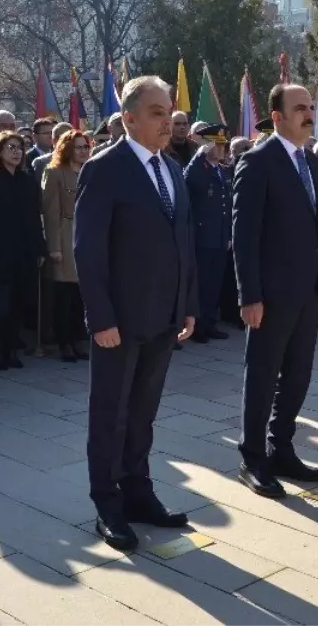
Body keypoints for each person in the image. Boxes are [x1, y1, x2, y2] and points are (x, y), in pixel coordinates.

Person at [76, 75, 197, 550]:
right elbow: (88, 249)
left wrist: (188, 304)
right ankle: (107, 503)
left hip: (164, 316)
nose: (167, 121)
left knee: (143, 413)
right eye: (155, 112)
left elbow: (182, 242)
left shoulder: (171, 169)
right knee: (111, 413)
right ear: (128, 118)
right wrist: (100, 318)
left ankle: (139, 493)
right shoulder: (105, 168)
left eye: (169, 112)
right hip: (120, 320)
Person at [232, 84, 318, 497]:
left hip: (308, 290)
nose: (309, 115)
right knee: (262, 375)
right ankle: (253, 457)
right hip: (271, 294)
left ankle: (282, 448)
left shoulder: (310, 160)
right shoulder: (258, 162)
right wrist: (249, 294)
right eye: (300, 109)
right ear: (276, 116)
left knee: (298, 375)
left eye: (310, 108)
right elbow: (244, 233)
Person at [0, 131, 45, 371]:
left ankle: (11, 350)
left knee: (18, 302)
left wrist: (39, 248)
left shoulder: (27, 180)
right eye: (10, 147)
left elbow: (34, 217)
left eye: (19, 147)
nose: (16, 152)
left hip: (24, 249)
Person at [182, 124, 233, 344]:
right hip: (203, 237)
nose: (221, 149)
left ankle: (210, 322)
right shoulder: (198, 169)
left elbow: (227, 206)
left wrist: (228, 234)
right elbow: (190, 181)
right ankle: (199, 326)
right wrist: (199, 155)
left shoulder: (221, 170)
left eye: (223, 144)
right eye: (216, 144)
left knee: (214, 283)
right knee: (201, 284)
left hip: (220, 237)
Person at [42, 129, 91, 362]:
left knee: (81, 297)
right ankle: (64, 343)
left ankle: (77, 340)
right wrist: (54, 246)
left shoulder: (91, 171)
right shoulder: (55, 173)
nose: (83, 151)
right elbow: (50, 213)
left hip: (87, 237)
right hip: (65, 235)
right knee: (65, 296)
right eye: (78, 147)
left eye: (86, 147)